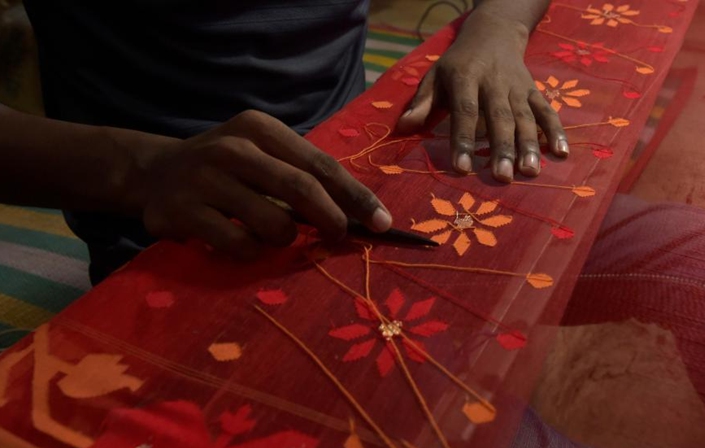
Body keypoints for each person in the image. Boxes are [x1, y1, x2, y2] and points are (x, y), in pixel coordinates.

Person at [0, 0, 569, 285]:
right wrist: (147, 171)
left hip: (368, 170)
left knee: (639, 256)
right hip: (186, 240)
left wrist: (498, 27)